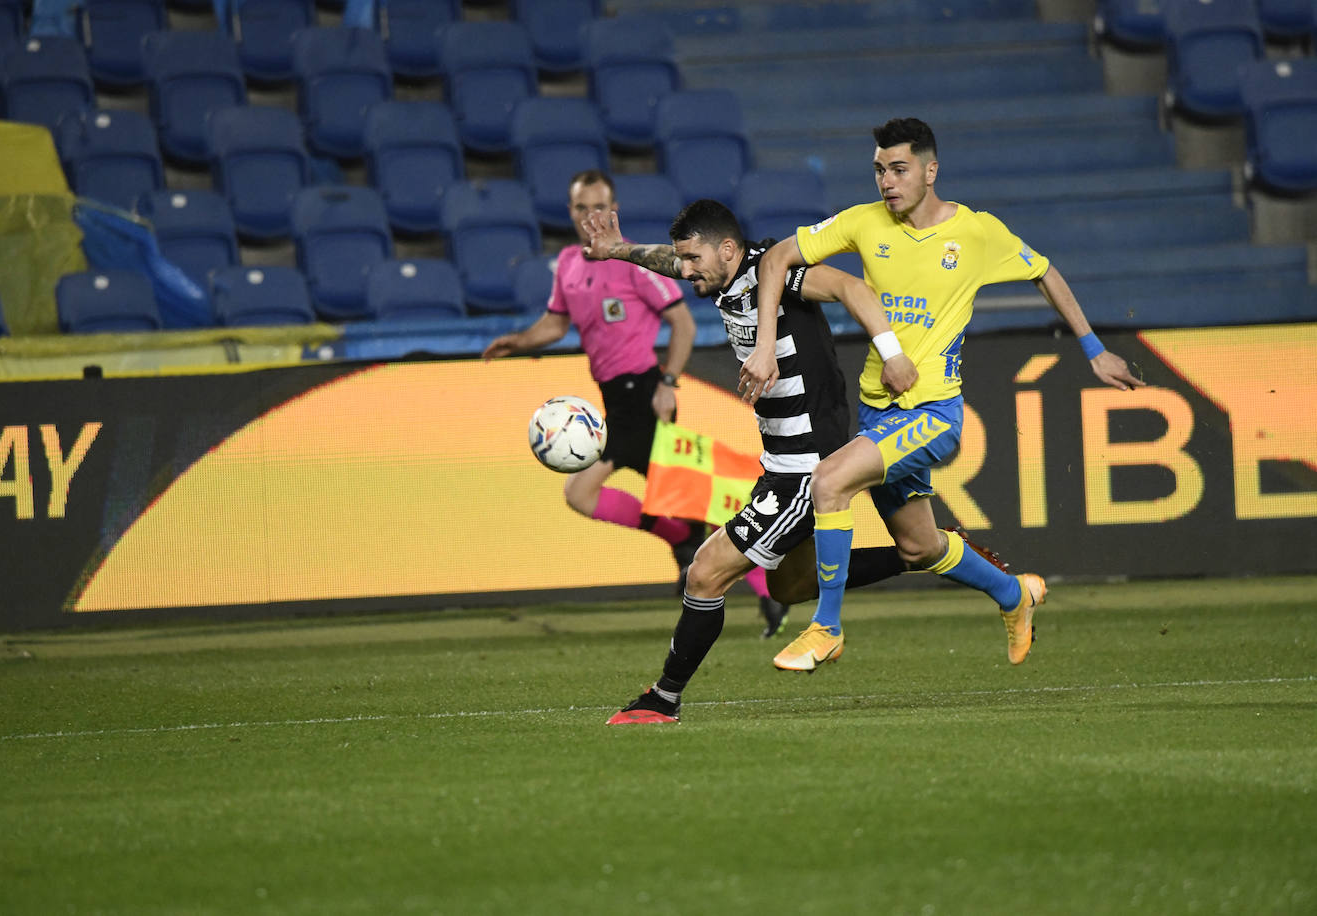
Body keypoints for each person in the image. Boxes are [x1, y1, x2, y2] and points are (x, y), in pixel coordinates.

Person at [748, 117, 1146, 673]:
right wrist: (765, 344)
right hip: (877, 409)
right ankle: (1015, 595)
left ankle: (826, 628)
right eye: (879, 171)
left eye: (899, 169)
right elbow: (773, 260)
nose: (887, 182)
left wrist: (1094, 349)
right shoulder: (863, 223)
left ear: (931, 171)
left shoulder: (978, 233)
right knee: (919, 548)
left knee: (829, 482)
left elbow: (1045, 272)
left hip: (933, 411)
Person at [582, 198, 915, 724]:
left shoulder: (776, 270)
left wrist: (893, 354)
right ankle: (925, 552)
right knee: (790, 585)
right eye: (683, 260)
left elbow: (852, 288)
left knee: (705, 573)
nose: (684, 271)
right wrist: (615, 251)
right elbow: (666, 261)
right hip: (780, 462)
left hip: (808, 467)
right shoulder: (720, 274)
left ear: (729, 249)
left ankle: (662, 698)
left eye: (694, 259)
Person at [482, 170, 728, 606]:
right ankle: (694, 546)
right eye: (581, 207)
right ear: (571, 212)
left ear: (612, 211)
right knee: (688, 502)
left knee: (585, 492)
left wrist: (668, 382)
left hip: (647, 397)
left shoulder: (633, 261)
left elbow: (683, 323)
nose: (590, 215)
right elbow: (557, 322)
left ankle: (747, 570)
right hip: (612, 402)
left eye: (599, 207)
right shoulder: (570, 265)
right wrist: (518, 342)